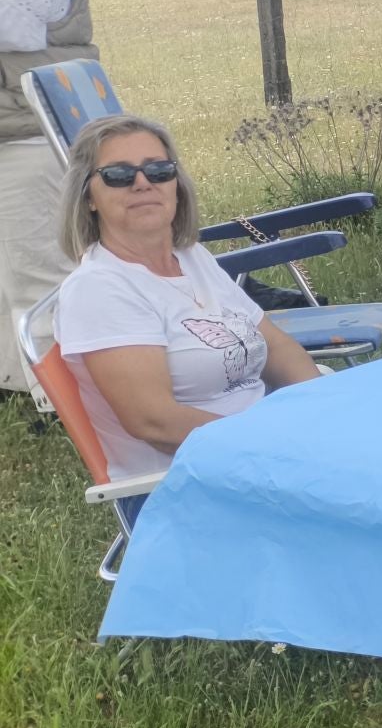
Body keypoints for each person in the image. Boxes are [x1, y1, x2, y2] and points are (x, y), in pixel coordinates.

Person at [52, 114, 323, 482]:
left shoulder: (192, 257)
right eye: (119, 175)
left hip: (264, 448)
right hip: (198, 480)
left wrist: (322, 408)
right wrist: (271, 444)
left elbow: (277, 348)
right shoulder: (100, 290)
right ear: (88, 198)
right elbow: (157, 423)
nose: (143, 183)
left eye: (159, 170)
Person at [0, 0, 94, 401]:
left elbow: (18, 31)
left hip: (33, 143)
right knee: (12, 272)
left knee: (44, 279)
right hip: (15, 136)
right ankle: (21, 384)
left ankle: (70, 403)